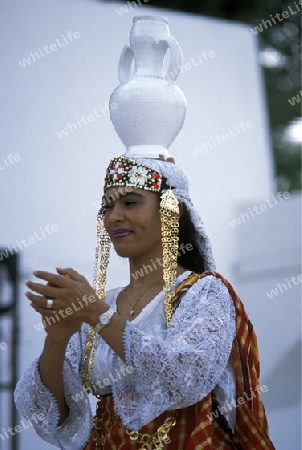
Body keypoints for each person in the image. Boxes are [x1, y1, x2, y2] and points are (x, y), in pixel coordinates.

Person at [14, 153, 275, 449]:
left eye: (131, 202)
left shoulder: (203, 293)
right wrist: (57, 340)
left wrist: (100, 317)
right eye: (107, 206)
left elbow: (182, 378)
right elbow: (50, 416)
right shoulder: (102, 304)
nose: (114, 216)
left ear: (171, 211)